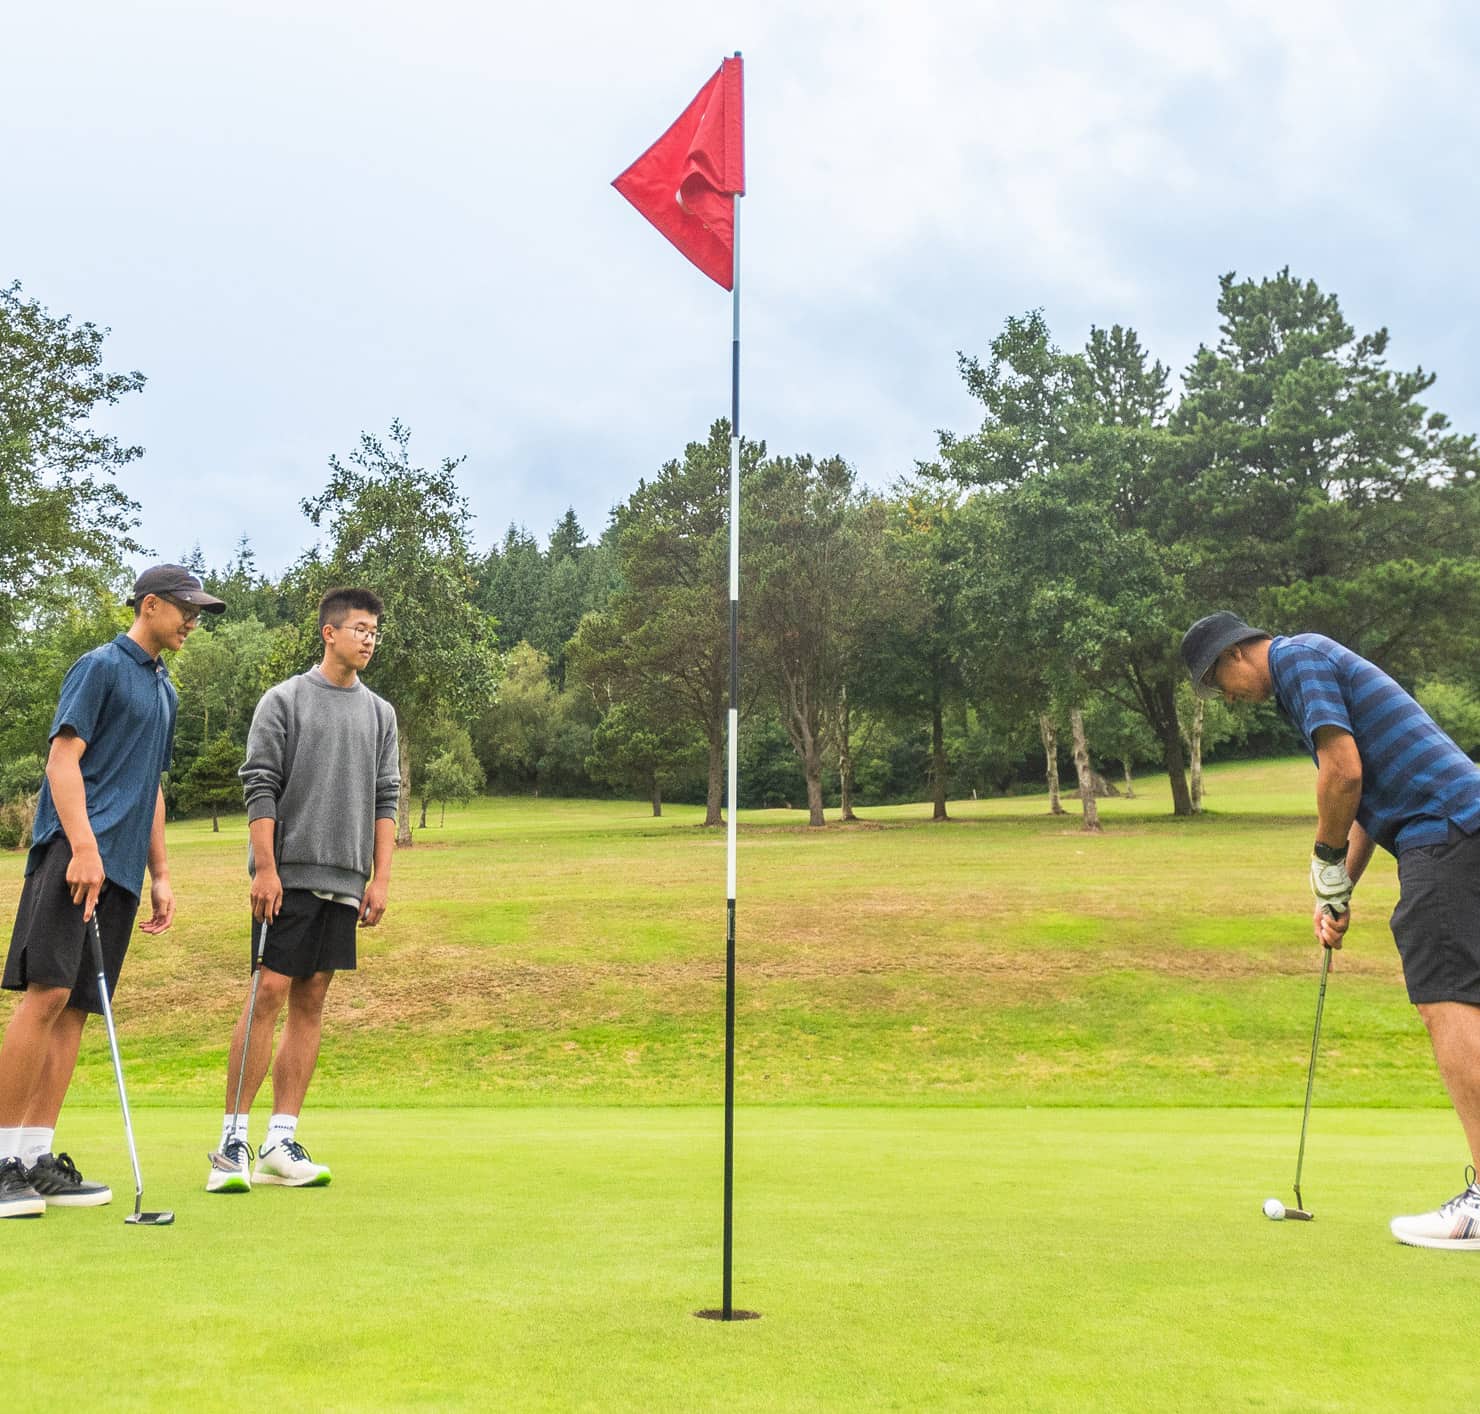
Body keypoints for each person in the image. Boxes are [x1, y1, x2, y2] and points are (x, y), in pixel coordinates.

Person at [1183, 611, 1480, 1250]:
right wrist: (1340, 885)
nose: (1229, 698)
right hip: (1458, 827)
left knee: (1447, 1003)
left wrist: (1321, 860)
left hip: (1447, 833)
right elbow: (1367, 798)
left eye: (1218, 684)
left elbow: (1341, 772)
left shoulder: (1296, 662)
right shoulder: (1311, 665)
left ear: (1233, 657)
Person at [0, 565, 224, 1219]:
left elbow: (150, 788)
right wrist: (87, 850)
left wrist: (161, 874)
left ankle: (36, 1158)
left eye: (199, 613)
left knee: (76, 1008)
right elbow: (62, 761)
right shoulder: (99, 666)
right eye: (185, 609)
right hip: (74, 856)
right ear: (149, 605)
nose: (192, 622)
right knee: (45, 995)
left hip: (120, 871)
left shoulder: (166, 691)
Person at [206, 586, 398, 1193]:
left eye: (374, 631)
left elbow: (386, 798)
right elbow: (259, 785)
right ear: (330, 632)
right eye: (360, 628)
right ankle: (231, 1144)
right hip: (286, 877)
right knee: (269, 995)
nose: (369, 638)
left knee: (312, 1002)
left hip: (345, 883)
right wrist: (265, 869)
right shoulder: (283, 700)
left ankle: (279, 1142)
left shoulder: (381, 713)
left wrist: (380, 877)